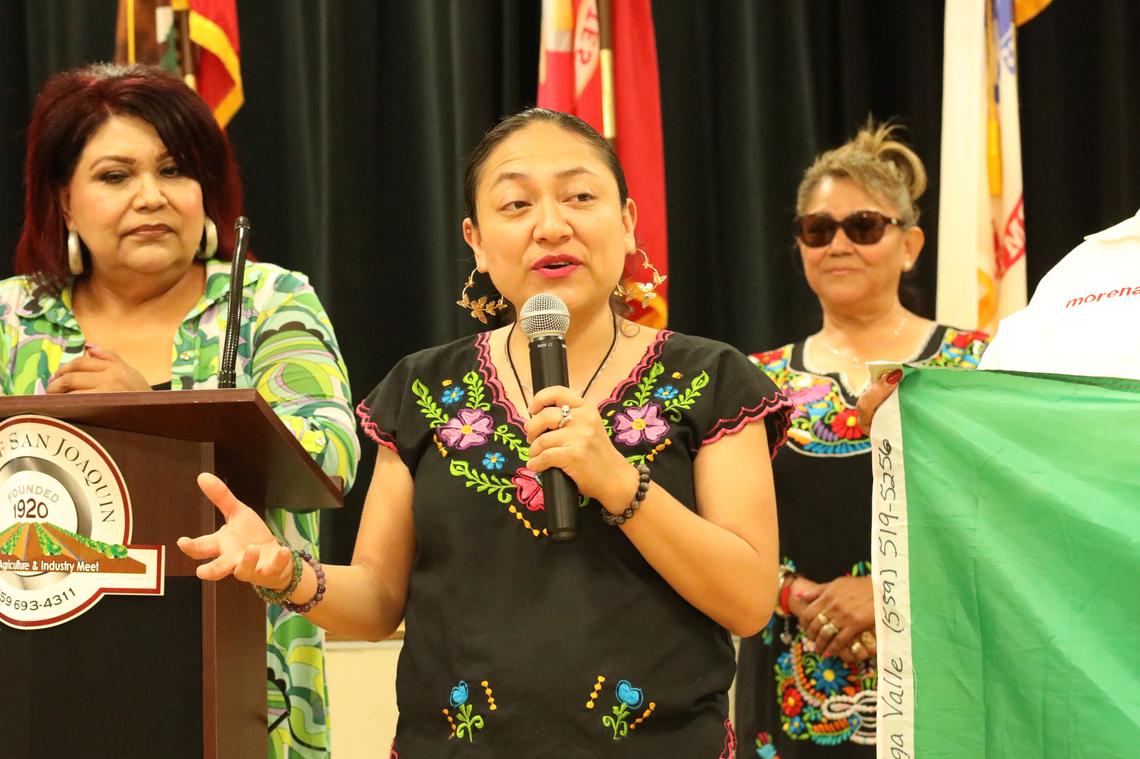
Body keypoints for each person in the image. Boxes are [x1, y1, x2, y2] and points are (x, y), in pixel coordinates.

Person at [178, 107, 792, 756]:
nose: (551, 226)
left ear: (628, 221)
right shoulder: (422, 387)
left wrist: (620, 483)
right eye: (516, 204)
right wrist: (285, 571)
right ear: (474, 238)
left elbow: (750, 601)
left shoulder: (711, 378)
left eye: (580, 197)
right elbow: (379, 599)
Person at [1, 63, 360, 757]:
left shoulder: (269, 301)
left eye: (174, 170)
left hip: (243, 684)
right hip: (41, 682)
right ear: (65, 201)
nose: (151, 196)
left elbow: (328, 457)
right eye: (115, 176)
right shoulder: (14, 319)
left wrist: (148, 408)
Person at [734, 122, 989, 758]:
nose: (839, 244)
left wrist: (888, 591)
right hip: (791, 680)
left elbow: (1006, 523)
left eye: (865, 226)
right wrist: (796, 596)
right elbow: (723, 529)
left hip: (946, 670)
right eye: (819, 229)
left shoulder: (976, 367)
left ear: (910, 245)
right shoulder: (754, 381)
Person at [856, 206, 1140, 429]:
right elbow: (994, 430)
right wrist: (912, 425)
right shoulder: (1081, 267)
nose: (840, 246)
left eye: (864, 227)